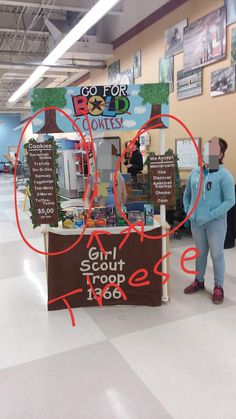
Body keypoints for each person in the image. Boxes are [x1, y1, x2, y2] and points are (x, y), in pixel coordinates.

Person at [183, 137, 235, 304]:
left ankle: (218, 286)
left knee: (217, 255)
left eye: (214, 151)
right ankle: (199, 281)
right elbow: (187, 196)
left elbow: (230, 201)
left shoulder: (224, 175)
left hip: (216, 223)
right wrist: (189, 211)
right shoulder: (194, 173)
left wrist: (212, 214)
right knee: (200, 254)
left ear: (220, 154)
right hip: (197, 223)